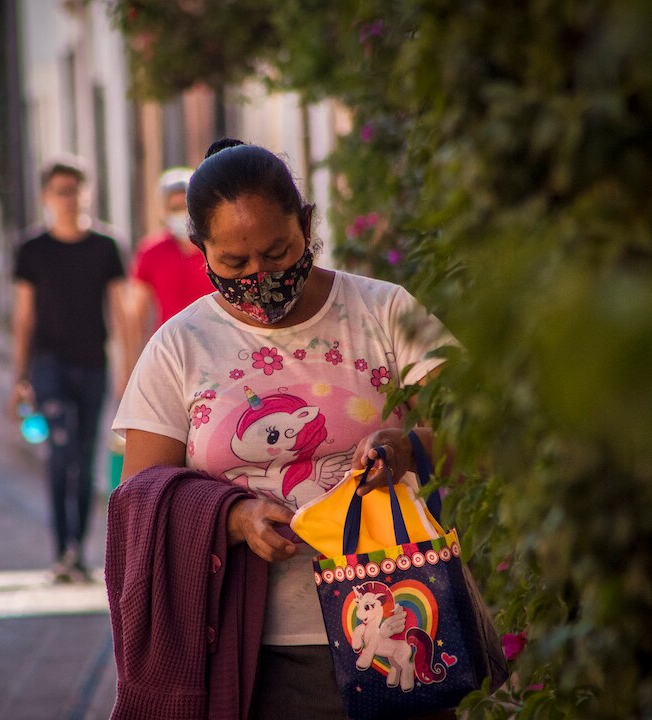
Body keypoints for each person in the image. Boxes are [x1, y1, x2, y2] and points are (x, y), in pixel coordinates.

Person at [108, 139, 455, 719]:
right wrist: (233, 518)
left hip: (402, 626)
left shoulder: (385, 313)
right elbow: (139, 500)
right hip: (257, 658)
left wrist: (408, 447)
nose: (261, 277)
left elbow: (472, 426)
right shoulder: (179, 347)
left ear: (308, 223)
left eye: (278, 252)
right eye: (235, 264)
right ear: (202, 250)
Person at [10, 160, 129, 584]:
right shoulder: (31, 250)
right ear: (46, 196)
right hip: (48, 367)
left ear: (87, 194)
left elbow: (120, 314)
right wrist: (19, 377)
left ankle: (76, 552)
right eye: (60, 190)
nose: (69, 198)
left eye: (75, 189)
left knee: (82, 458)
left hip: (92, 366)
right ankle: (62, 548)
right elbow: (22, 317)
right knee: (60, 453)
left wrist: (127, 375)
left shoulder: (106, 247)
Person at [127, 166, 209, 347]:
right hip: (170, 348)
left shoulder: (215, 248)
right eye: (175, 208)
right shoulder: (151, 252)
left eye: (186, 207)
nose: (182, 214)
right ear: (164, 211)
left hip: (217, 345)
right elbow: (137, 313)